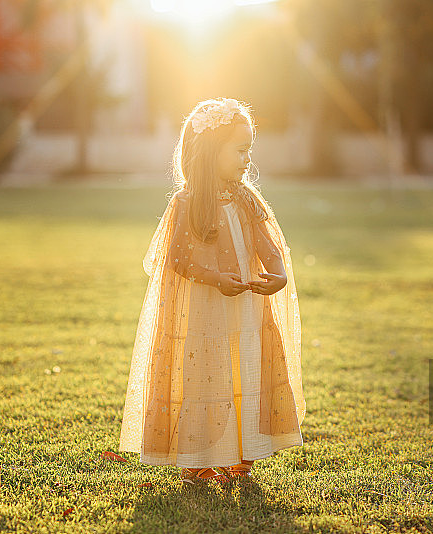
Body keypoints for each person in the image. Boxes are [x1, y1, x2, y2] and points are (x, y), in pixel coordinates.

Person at [117, 98, 305, 485]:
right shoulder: (187, 203)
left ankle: (244, 453)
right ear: (208, 152)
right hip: (204, 309)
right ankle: (197, 457)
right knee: (204, 375)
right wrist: (216, 278)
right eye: (239, 150)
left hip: (247, 305)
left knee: (245, 369)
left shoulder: (247, 198)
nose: (246, 160)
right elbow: (179, 261)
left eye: (248, 150)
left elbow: (267, 244)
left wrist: (279, 272)